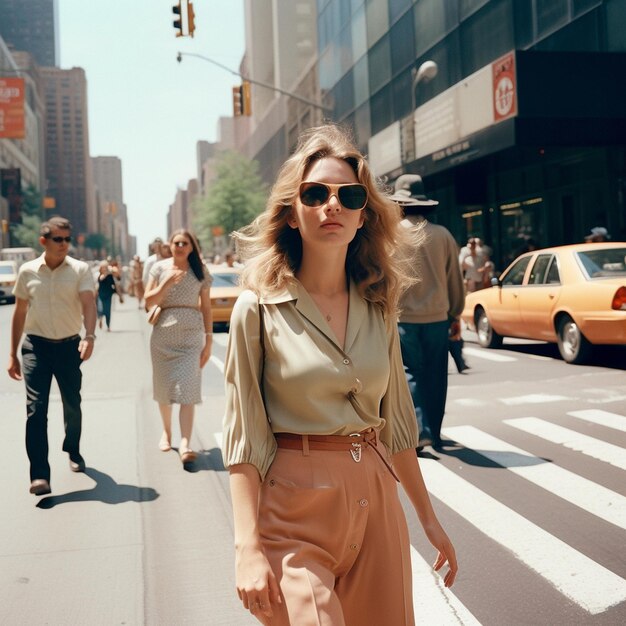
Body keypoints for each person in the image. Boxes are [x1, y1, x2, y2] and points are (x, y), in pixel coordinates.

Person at [222, 125, 457, 625]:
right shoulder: (256, 309)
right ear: (292, 210)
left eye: (348, 195)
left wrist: (429, 520)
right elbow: (243, 437)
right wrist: (247, 546)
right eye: (315, 193)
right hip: (293, 511)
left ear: (362, 214)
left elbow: (396, 428)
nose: (333, 204)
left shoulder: (378, 309)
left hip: (377, 503)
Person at [7, 216, 97, 496]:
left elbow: (88, 303)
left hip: (69, 346)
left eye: (68, 239)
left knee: (72, 404)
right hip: (36, 347)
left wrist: (90, 336)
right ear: (43, 241)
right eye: (58, 239)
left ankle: (73, 449)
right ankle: (39, 476)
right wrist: (12, 354)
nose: (64, 244)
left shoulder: (80, 269)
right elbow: (19, 312)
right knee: (36, 411)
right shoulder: (28, 271)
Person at [389, 174, 466, 450]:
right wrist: (455, 314)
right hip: (437, 318)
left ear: (400, 203)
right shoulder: (443, 234)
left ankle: (419, 428)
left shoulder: (391, 236)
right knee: (436, 375)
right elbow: (454, 278)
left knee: (409, 373)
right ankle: (434, 431)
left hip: (403, 318)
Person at [144, 229, 213, 466]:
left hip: (191, 337)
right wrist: (164, 284)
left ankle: (185, 443)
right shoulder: (159, 268)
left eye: (185, 243)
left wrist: (209, 340)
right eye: (177, 242)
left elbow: (206, 308)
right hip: (162, 336)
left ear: (192, 247)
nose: (181, 246)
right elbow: (147, 301)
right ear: (170, 246)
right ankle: (167, 432)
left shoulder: (200, 271)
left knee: (188, 389)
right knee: (164, 389)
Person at [96, 260, 118, 331]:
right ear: (101, 268)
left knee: (108, 311)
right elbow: (101, 279)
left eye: (106, 267)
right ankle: (100, 319)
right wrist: (106, 273)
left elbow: (114, 284)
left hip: (108, 295)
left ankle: (108, 326)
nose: (105, 269)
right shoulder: (99, 275)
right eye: (103, 267)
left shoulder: (110, 276)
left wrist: (120, 295)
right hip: (101, 295)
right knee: (101, 309)